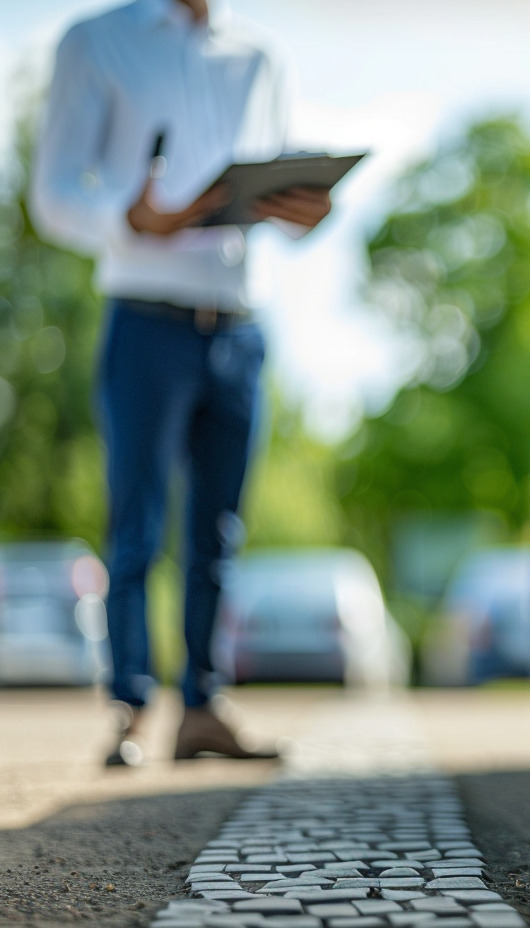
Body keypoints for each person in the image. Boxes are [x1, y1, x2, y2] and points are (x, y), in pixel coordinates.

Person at [30, 0, 331, 765]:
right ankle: (131, 707)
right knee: (136, 524)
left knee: (218, 535)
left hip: (239, 324)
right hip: (145, 320)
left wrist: (308, 210)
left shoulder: (261, 55)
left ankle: (203, 705)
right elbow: (54, 195)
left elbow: (278, 177)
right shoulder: (97, 42)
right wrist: (134, 220)